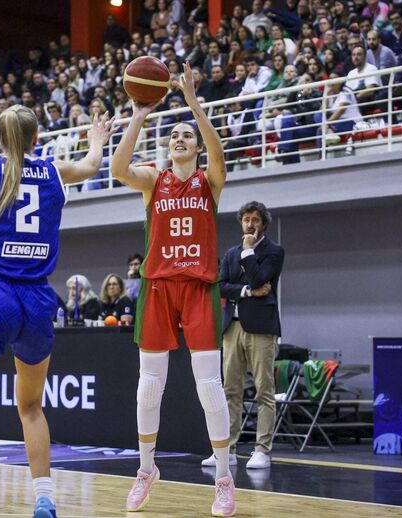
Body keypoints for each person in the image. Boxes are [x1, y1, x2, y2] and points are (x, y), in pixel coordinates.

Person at [0, 105, 115, 518]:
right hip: (37, 300)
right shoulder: (53, 171)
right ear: (36, 139)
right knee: (31, 407)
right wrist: (97, 139)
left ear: (0, 138)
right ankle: (44, 499)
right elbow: (91, 165)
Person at [110, 62, 235, 517]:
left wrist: (195, 106)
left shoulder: (209, 182)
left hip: (199, 288)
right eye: (174, 135)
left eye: (187, 135)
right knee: (149, 387)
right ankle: (146, 469)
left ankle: (224, 478)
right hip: (159, 287)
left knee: (210, 388)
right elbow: (118, 168)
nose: (179, 138)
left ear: (196, 146)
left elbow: (218, 152)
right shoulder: (153, 180)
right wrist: (139, 115)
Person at [204, 201, 284, 470]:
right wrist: (248, 291)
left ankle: (262, 450)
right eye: (246, 219)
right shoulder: (230, 253)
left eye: (255, 220)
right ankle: (227, 448)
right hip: (232, 327)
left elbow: (260, 278)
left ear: (264, 224)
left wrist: (249, 250)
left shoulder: (274, 251)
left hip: (261, 328)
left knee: (264, 390)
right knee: (230, 390)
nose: (250, 224)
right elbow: (220, 287)